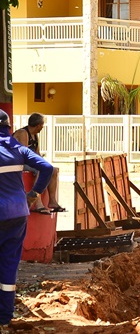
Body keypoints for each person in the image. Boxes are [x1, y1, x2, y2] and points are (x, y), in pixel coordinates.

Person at [0, 109, 53, 329]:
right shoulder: (17, 148)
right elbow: (47, 167)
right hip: (17, 214)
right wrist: (34, 194)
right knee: (9, 264)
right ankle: (4, 317)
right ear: (8, 127)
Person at [12, 113, 64, 213]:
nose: (42, 128)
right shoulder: (23, 132)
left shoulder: (35, 135)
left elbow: (37, 154)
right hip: (18, 161)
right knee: (41, 169)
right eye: (42, 125)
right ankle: (37, 203)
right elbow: (24, 154)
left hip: (28, 162)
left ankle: (52, 201)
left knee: (52, 170)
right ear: (39, 125)